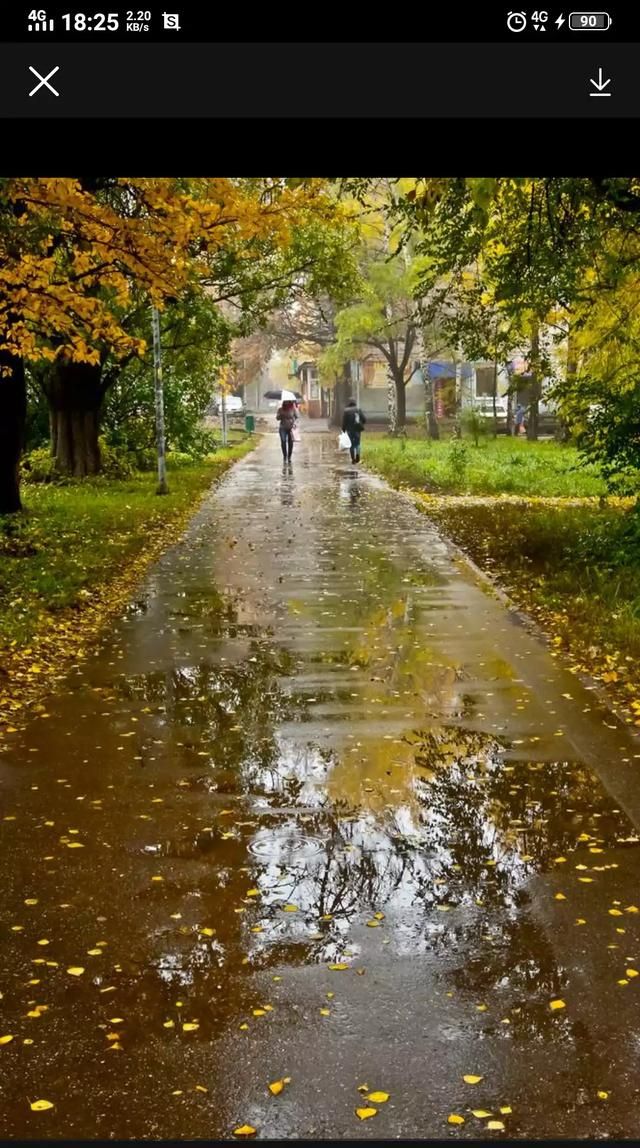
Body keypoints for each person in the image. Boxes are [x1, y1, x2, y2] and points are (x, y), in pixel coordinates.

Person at [341, 398, 367, 464]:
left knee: (351, 444)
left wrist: (343, 429)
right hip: (357, 430)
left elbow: (344, 421)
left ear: (349, 403)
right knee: (357, 443)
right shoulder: (358, 410)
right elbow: (364, 419)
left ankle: (353, 459)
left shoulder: (346, 411)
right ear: (355, 403)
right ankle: (358, 455)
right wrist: (361, 423)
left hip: (349, 430)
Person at [276, 399, 297, 464]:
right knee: (283, 441)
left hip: (291, 428)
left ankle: (289, 457)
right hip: (282, 428)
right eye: (285, 402)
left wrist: (293, 421)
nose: (287, 403)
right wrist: (280, 415)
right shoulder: (280, 409)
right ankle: (285, 456)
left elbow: (296, 416)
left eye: (288, 402)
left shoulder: (293, 409)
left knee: (290, 443)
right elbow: (277, 418)